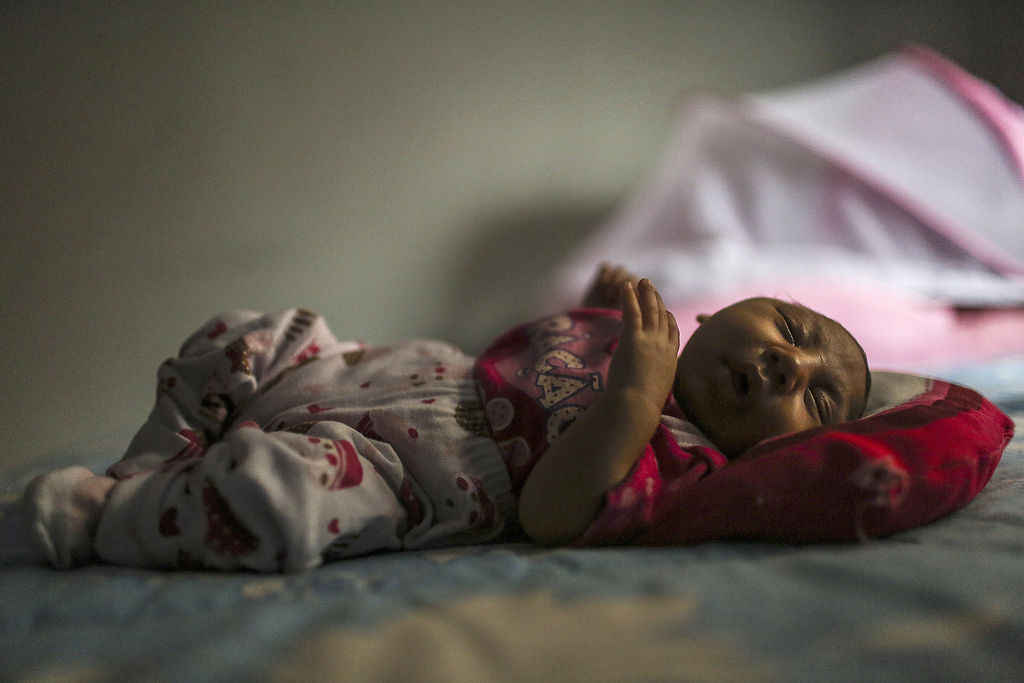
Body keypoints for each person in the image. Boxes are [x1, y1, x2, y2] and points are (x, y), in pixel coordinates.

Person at [5, 265, 869, 571]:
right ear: (724, 310)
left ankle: (105, 516)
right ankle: (155, 462)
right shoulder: (641, 332)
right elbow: (547, 361)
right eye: (792, 331)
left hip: (407, 471)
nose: (788, 365)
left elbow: (552, 512)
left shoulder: (683, 459)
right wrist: (596, 309)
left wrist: (636, 401)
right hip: (373, 369)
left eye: (816, 397)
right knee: (256, 332)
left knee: (278, 503)